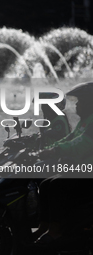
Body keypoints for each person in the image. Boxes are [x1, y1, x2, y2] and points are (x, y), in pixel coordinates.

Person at [33, 81, 93, 245]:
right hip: (79, 169)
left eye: (80, 102)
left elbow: (82, 143)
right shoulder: (85, 121)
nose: (76, 105)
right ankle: (43, 226)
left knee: (57, 187)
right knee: (45, 185)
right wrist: (50, 149)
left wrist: (55, 151)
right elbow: (70, 138)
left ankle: (55, 231)